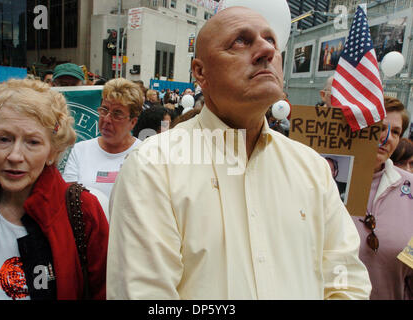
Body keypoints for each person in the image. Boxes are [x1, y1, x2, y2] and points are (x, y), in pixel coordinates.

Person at [107, 6, 371, 300]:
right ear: (200, 72)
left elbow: (345, 277)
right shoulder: (153, 167)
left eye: (271, 40)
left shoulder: (313, 168)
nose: (266, 50)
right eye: (241, 41)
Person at [0, 79, 109, 300]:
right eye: (4, 139)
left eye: (33, 142)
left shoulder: (84, 212)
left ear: (52, 152)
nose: (15, 156)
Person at [351, 96, 413, 300]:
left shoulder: (409, 186)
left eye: (395, 132)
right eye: (380, 127)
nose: (387, 138)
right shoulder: (328, 180)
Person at [63, 78, 143, 200]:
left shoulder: (143, 153)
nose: (106, 119)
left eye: (117, 114)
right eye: (104, 110)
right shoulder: (81, 150)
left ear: (133, 122)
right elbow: (69, 198)